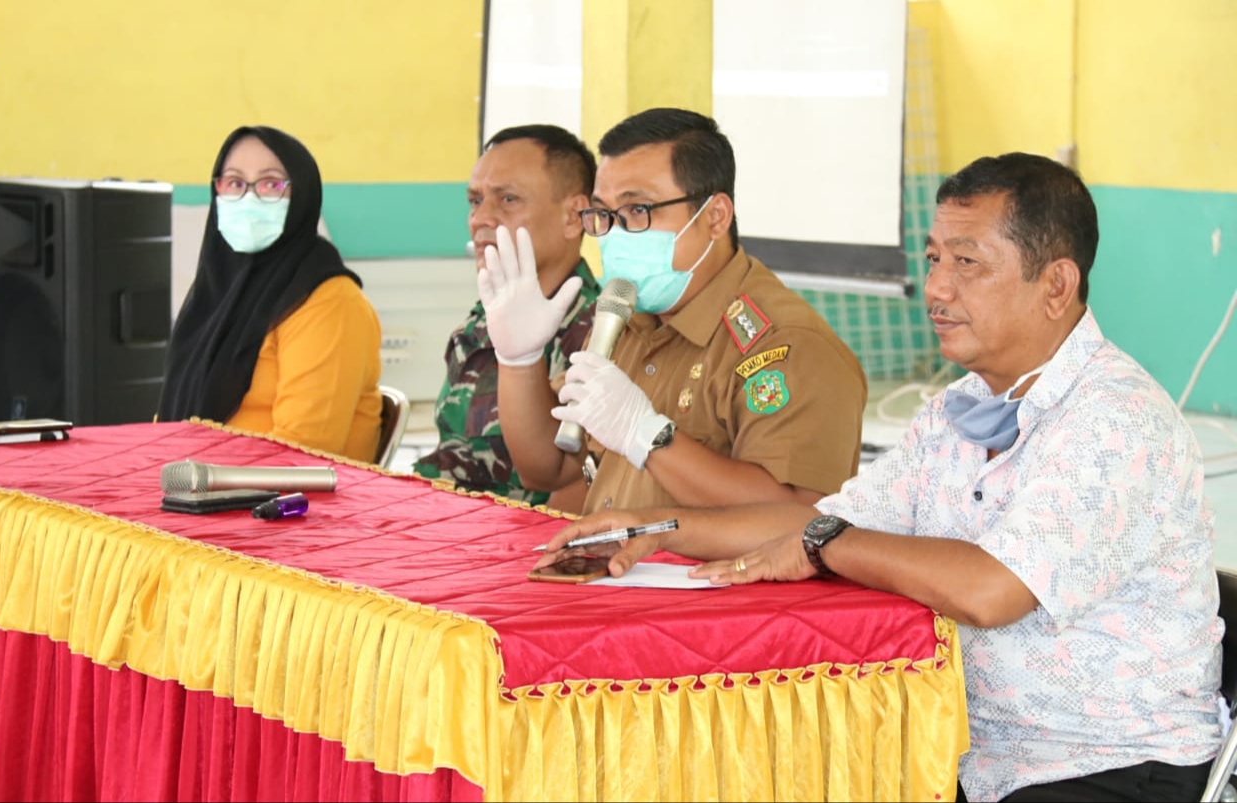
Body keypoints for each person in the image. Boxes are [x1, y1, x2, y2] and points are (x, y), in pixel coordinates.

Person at [538, 152, 1223, 802]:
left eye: (967, 262)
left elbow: (990, 589)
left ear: (1056, 286)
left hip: (1106, 762)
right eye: (933, 259)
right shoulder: (955, 412)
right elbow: (820, 521)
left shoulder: (1116, 419)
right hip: (960, 746)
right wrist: (659, 528)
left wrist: (824, 546)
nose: (938, 288)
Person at [485, 108, 867, 515]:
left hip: (692, 561)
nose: (615, 235)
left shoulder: (788, 345)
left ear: (715, 217)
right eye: (604, 215)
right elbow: (549, 468)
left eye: (638, 210)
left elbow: (797, 517)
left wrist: (647, 436)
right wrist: (519, 361)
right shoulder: (625, 319)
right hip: (610, 553)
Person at [159, 126, 382, 462]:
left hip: (281, 491)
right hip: (198, 482)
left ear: (302, 195)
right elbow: (168, 420)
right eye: (235, 183)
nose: (249, 198)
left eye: (271, 184)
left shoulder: (329, 301)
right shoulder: (218, 292)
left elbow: (302, 453)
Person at [412, 125, 602, 507]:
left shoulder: (601, 335)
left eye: (508, 199)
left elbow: (579, 490)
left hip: (519, 531)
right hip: (439, 514)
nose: (481, 218)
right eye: (475, 201)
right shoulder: (481, 320)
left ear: (573, 217)